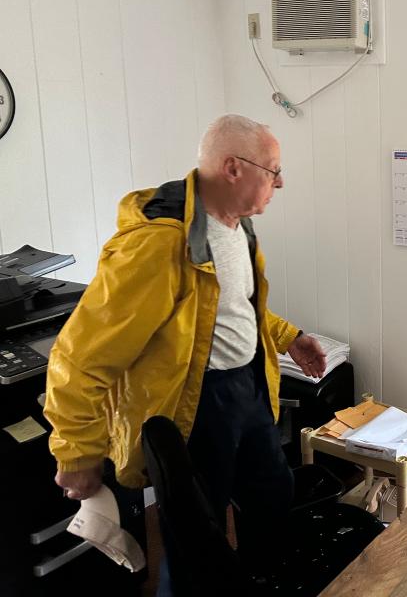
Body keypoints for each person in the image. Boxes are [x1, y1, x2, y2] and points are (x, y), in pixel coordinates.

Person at [43, 114, 327, 589]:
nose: (281, 181)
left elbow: (230, 308)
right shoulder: (160, 245)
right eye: (272, 170)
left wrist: (288, 337)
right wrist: (76, 451)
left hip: (250, 391)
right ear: (234, 168)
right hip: (194, 408)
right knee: (197, 537)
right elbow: (81, 356)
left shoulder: (236, 227)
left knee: (274, 499)